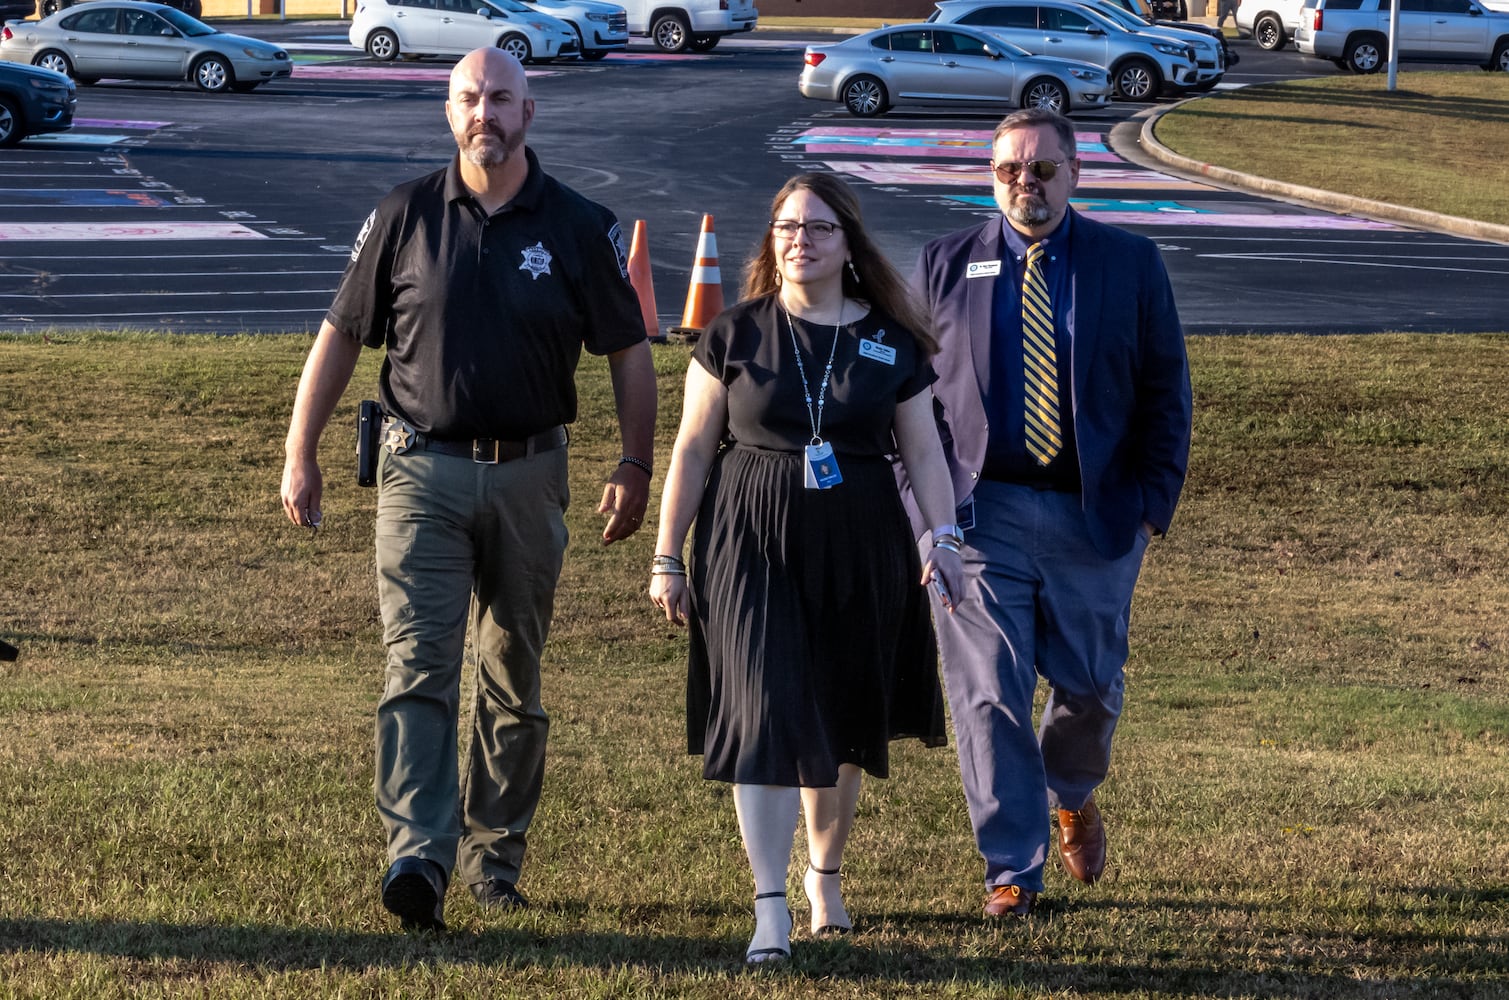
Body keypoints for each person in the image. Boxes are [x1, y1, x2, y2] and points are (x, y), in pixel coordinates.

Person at [279, 47, 656, 933]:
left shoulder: (578, 223)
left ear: (529, 111)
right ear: (448, 112)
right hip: (421, 472)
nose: (483, 112)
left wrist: (635, 464)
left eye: (499, 98)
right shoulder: (404, 213)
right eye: (467, 98)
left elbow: (630, 354)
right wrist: (302, 449)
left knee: (511, 675)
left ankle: (497, 858)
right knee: (416, 666)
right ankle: (418, 854)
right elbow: (340, 338)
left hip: (532, 474)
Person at [648, 173, 963, 965]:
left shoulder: (891, 340)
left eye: (819, 228)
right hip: (746, 536)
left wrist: (945, 539)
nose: (800, 239)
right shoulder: (733, 332)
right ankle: (768, 907)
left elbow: (922, 450)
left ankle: (824, 874)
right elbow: (691, 447)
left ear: (848, 242)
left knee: (842, 717)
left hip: (861, 539)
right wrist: (666, 555)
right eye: (788, 226)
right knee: (760, 709)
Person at [906, 108, 1191, 918]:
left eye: (1039, 170)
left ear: (1075, 173)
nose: (1022, 185)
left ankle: (1070, 791)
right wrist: (929, 519)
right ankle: (1011, 869)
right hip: (976, 512)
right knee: (987, 692)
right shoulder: (943, 263)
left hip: (1094, 514)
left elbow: (1166, 393)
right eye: (1006, 171)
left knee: (1091, 688)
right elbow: (910, 405)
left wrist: (1148, 511)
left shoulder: (1128, 264)